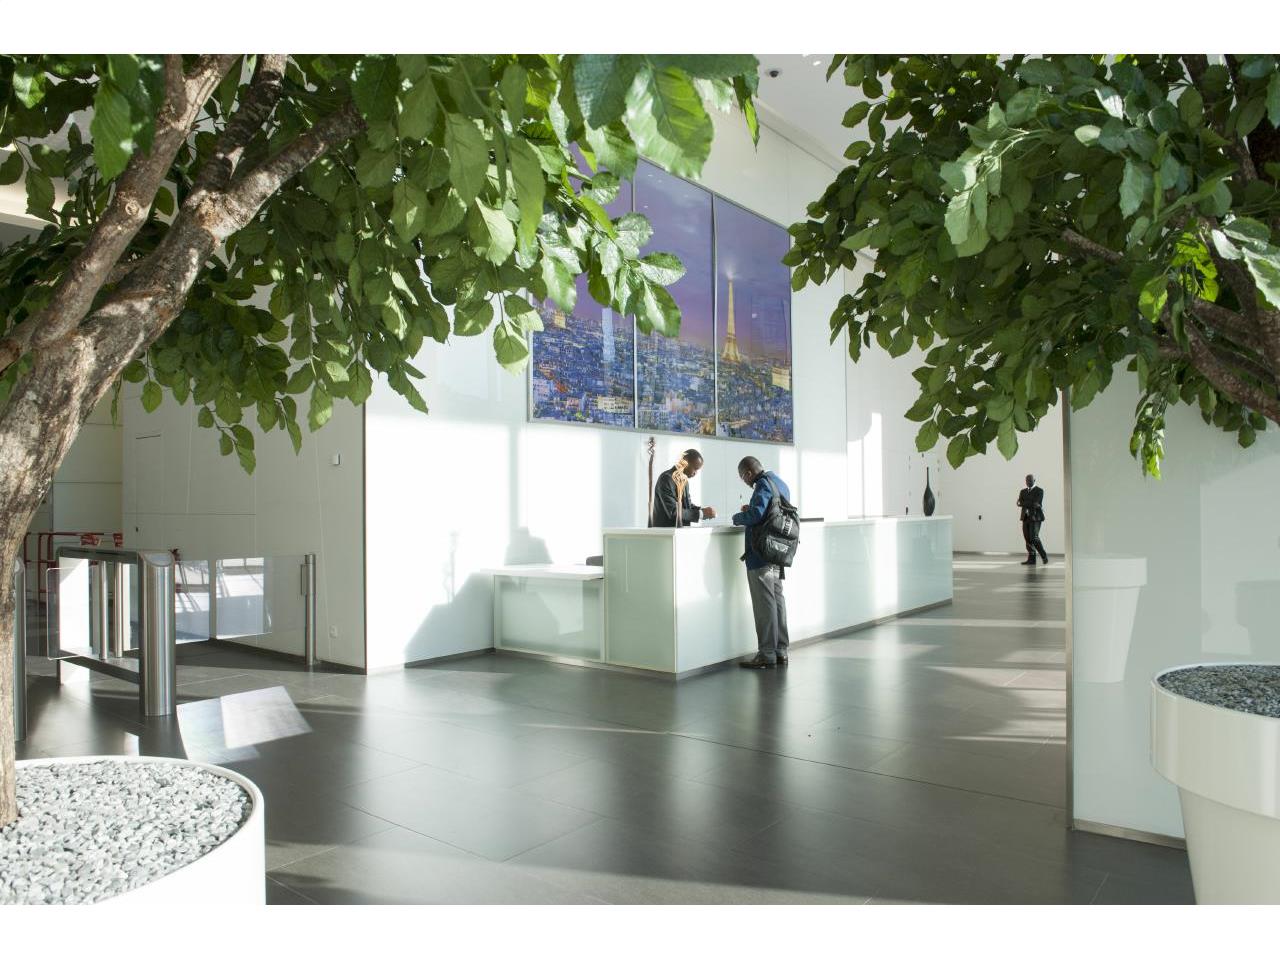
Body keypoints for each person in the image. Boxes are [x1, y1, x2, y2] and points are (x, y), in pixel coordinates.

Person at [732, 456, 791, 669]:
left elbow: (757, 515)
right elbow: (770, 512)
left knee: (764, 604)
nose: (745, 482)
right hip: (778, 552)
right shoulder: (779, 483)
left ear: (748, 473)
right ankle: (781, 650)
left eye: (743, 477)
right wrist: (752, 509)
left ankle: (766, 654)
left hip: (761, 553)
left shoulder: (762, 484)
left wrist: (738, 517)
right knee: (777, 600)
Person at [651, 448, 716, 528]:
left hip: (679, 531)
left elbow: (687, 506)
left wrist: (704, 511)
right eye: (695, 469)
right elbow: (673, 511)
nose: (695, 473)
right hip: (665, 532)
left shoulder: (684, 481)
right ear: (685, 462)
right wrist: (701, 513)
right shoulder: (666, 479)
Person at [1017, 473, 1049, 565]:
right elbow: (1019, 502)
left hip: (1035, 517)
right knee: (1027, 538)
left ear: (1034, 480)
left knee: (1034, 538)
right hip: (1025, 517)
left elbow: (1036, 503)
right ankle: (1031, 559)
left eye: (1030, 480)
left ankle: (1044, 556)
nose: (1028, 482)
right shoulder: (1023, 491)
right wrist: (1028, 502)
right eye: (1026, 481)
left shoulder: (1039, 490)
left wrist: (1024, 502)